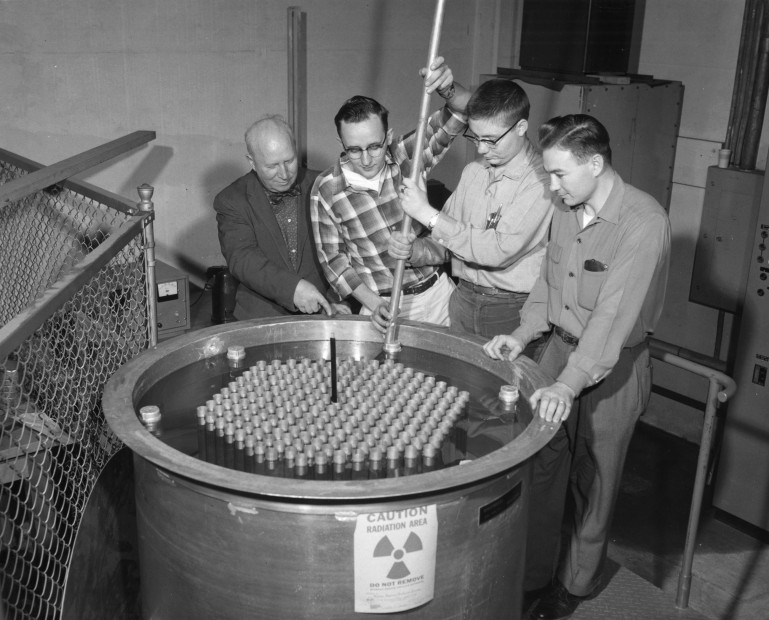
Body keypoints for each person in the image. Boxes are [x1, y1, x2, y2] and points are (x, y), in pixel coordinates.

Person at [483, 114, 671, 619]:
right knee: (543, 467)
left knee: (595, 478)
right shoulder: (567, 206)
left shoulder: (643, 222)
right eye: (547, 174)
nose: (551, 185)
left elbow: (611, 317)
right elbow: (548, 283)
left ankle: (575, 586)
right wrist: (521, 335)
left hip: (612, 368)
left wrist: (566, 386)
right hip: (559, 353)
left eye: (559, 174)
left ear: (595, 162)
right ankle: (535, 577)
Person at [310, 57, 470, 333]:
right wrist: (373, 304)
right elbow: (334, 263)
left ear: (389, 136)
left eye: (375, 146)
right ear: (341, 144)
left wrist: (447, 87)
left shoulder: (406, 155)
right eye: (354, 150)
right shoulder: (326, 189)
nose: (366, 159)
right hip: (380, 305)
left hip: (437, 297)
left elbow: (463, 112)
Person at [391, 78, 554, 345]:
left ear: (521, 127)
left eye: (491, 140)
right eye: (475, 138)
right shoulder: (474, 172)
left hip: (510, 310)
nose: (480, 149)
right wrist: (414, 250)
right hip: (463, 299)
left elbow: (498, 251)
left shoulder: (542, 181)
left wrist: (429, 215)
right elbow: (446, 242)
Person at [214, 116, 348, 319]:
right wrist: (293, 289)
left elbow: (349, 248)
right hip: (262, 318)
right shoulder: (231, 200)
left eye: (289, 161)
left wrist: (341, 299)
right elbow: (243, 258)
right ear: (252, 162)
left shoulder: (325, 184)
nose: (284, 174)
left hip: (327, 310)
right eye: (272, 166)